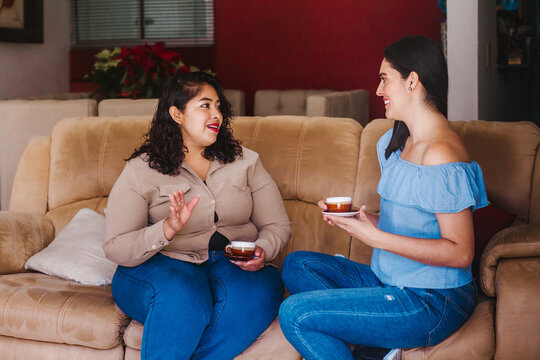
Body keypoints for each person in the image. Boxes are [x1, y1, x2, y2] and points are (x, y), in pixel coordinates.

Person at [278, 36, 488, 360]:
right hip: (388, 281)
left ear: (413, 81)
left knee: (295, 314)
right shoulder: (397, 139)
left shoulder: (441, 154)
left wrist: (376, 238)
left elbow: (461, 253)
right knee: (297, 264)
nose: (378, 91)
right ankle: (380, 340)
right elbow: (408, 225)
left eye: (384, 79)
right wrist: (358, 221)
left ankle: (373, 338)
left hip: (432, 300)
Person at [103, 72, 291, 360]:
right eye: (205, 105)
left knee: (259, 295)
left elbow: (276, 225)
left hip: (232, 263)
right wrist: (166, 229)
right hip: (162, 264)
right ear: (177, 114)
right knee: (184, 300)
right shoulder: (141, 170)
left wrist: (262, 251)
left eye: (219, 106)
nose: (216, 114)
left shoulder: (246, 161)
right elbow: (115, 245)